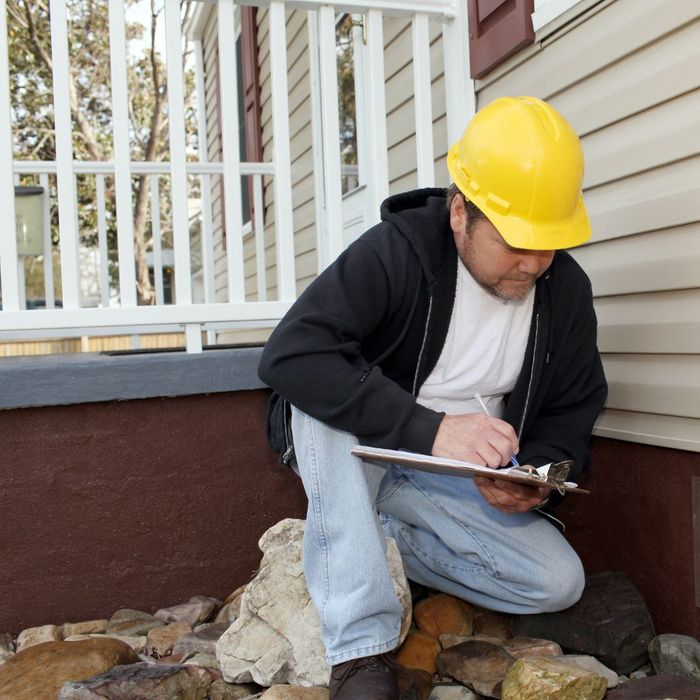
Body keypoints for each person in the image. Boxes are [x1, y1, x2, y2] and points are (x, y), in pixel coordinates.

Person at [258, 95, 607, 700]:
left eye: (546, 243)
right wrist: (434, 429)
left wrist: (540, 471)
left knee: (557, 582)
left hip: (445, 481)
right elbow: (292, 354)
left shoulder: (565, 289)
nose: (532, 263)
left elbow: (574, 405)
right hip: (356, 447)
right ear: (459, 214)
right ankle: (360, 653)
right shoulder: (396, 252)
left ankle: (363, 537)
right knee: (321, 401)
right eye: (515, 241)